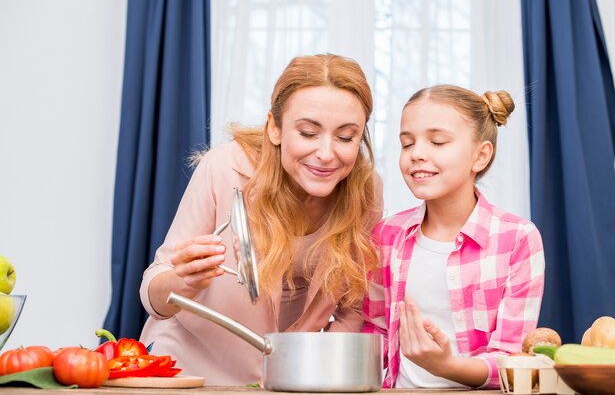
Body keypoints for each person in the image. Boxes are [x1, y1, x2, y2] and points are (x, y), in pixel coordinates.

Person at [139, 53, 382, 385]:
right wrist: (180, 282)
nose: (326, 153)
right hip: (186, 372)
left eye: (345, 137)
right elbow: (154, 292)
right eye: (309, 133)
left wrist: (312, 372)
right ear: (275, 127)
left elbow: (353, 310)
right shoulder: (225, 168)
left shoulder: (365, 193)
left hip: (285, 383)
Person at [362, 85, 545, 389]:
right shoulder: (385, 235)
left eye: (437, 141)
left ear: (480, 156)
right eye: (407, 144)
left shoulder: (518, 239)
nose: (417, 154)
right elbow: (374, 335)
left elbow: (512, 360)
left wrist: (447, 366)